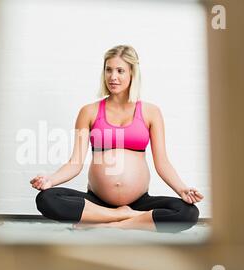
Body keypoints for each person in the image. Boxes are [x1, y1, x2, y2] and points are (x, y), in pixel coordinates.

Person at [30, 45, 204, 233]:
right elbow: (75, 163)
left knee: (188, 212)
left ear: (132, 73)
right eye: (108, 70)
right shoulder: (89, 112)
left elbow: (162, 163)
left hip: (139, 201)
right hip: (97, 201)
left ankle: (107, 224)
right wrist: (50, 181)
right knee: (46, 199)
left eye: (120, 71)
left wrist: (182, 190)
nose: (113, 77)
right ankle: (126, 216)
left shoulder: (150, 112)